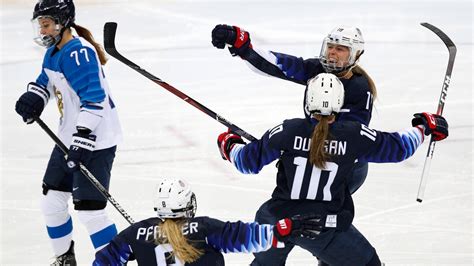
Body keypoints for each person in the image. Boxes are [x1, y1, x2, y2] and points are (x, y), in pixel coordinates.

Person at [216, 73, 448, 265]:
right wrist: (424, 127)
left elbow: (246, 162)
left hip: (276, 221)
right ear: (339, 103)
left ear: (308, 101)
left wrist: (229, 144)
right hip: (323, 226)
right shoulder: (354, 134)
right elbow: (399, 148)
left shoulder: (286, 130)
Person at [14, 0, 122, 264]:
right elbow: (46, 82)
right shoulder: (54, 52)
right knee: (51, 202)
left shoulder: (79, 53)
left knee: (90, 212)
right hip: (68, 139)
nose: (43, 31)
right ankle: (64, 258)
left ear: (62, 23)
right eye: (41, 25)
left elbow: (94, 99)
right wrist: (34, 98)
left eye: (47, 25)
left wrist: (82, 140)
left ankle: (114, 261)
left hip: (95, 141)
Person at [211, 24, 375, 194]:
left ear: (356, 54)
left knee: (306, 212)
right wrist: (243, 47)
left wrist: (293, 147)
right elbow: (278, 65)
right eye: (330, 46)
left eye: (340, 49)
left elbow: (345, 142)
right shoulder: (319, 70)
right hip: (315, 156)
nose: (332, 52)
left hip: (346, 171)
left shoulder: (359, 90)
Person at [93, 177, 323, 265]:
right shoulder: (203, 228)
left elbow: (105, 261)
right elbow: (244, 236)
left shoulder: (136, 233)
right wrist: (282, 229)